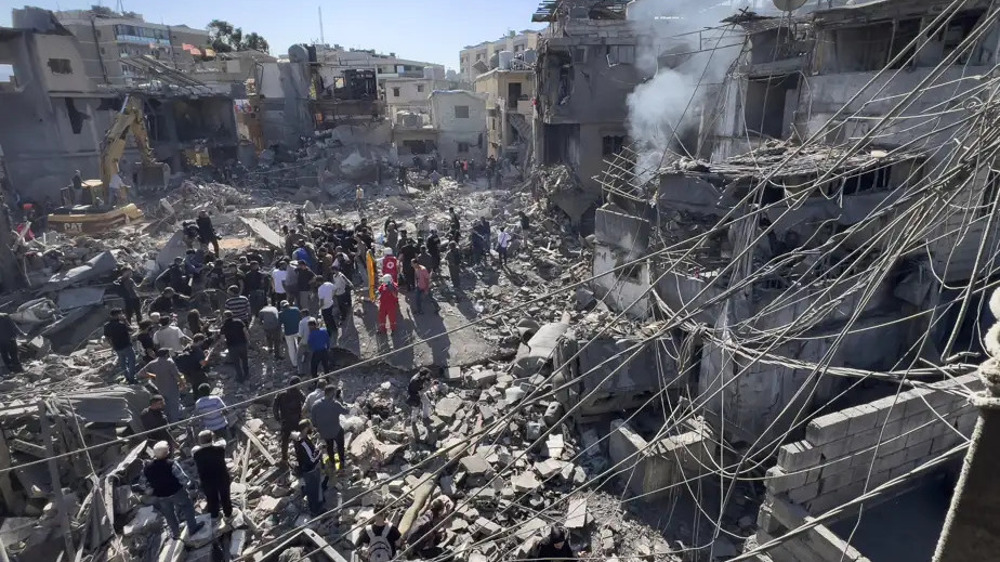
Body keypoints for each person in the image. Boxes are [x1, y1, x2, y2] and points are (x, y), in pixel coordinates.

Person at [139, 441, 205, 540]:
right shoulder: (171, 464)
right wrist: (188, 485)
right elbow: (182, 478)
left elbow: (142, 483)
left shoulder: (147, 467)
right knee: (187, 507)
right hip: (176, 492)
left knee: (169, 514)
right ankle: (192, 527)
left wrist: (150, 490)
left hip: (161, 496)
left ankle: (176, 533)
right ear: (166, 453)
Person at [192, 430, 233, 522]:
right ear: (212, 438)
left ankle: (215, 516)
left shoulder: (196, 452)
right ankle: (228, 515)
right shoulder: (220, 448)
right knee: (225, 496)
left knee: (211, 498)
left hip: (207, 479)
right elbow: (222, 441)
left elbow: (195, 448)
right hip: (221, 477)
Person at [137, 349, 186, 422]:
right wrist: (182, 384)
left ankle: (168, 422)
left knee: (165, 406)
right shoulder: (169, 362)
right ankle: (175, 424)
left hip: (160, 388)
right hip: (172, 387)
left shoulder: (152, 363)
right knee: (174, 406)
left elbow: (140, 373)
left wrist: (153, 376)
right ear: (166, 354)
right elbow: (176, 375)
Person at [310, 384, 348, 472]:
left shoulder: (316, 404)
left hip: (324, 432)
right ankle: (341, 464)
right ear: (331, 394)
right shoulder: (335, 404)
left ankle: (332, 462)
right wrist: (341, 400)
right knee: (340, 446)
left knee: (329, 447)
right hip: (336, 430)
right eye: (334, 393)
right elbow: (346, 411)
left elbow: (313, 420)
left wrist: (319, 428)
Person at [292, 420, 324, 516]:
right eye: (310, 427)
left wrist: (316, 447)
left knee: (314, 491)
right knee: (314, 492)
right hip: (310, 470)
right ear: (306, 428)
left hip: (306, 469)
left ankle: (316, 507)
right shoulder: (303, 442)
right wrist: (320, 451)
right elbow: (312, 459)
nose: (312, 429)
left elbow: (308, 453)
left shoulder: (300, 438)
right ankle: (316, 512)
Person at [273, 377, 305, 465]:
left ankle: (284, 459)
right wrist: (303, 414)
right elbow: (305, 402)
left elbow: (275, 408)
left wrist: (278, 418)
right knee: (298, 439)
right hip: (296, 420)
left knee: (285, 440)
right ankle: (300, 458)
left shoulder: (280, 394)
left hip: (286, 421)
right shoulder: (299, 393)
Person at [104, 309, 137, 383]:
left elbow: (107, 337)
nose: (122, 315)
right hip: (126, 346)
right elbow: (131, 329)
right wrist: (125, 320)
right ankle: (132, 378)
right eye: (121, 314)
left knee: (122, 363)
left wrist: (112, 345)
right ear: (117, 315)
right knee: (132, 361)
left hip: (117, 347)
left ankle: (127, 377)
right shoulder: (121, 325)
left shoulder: (106, 326)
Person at [221, 310, 250, 383]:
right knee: (244, 360)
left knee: (236, 363)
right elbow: (245, 332)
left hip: (232, 346)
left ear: (224, 317)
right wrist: (248, 341)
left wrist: (225, 345)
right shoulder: (239, 321)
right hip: (242, 344)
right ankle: (246, 374)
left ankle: (240, 378)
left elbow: (222, 339)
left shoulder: (224, 326)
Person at [279, 301, 301, 368]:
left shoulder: (281, 314)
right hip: (298, 331)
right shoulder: (296, 309)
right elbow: (300, 318)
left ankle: (295, 364)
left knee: (291, 349)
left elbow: (280, 325)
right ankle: (300, 360)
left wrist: (281, 335)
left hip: (288, 333)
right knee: (298, 346)